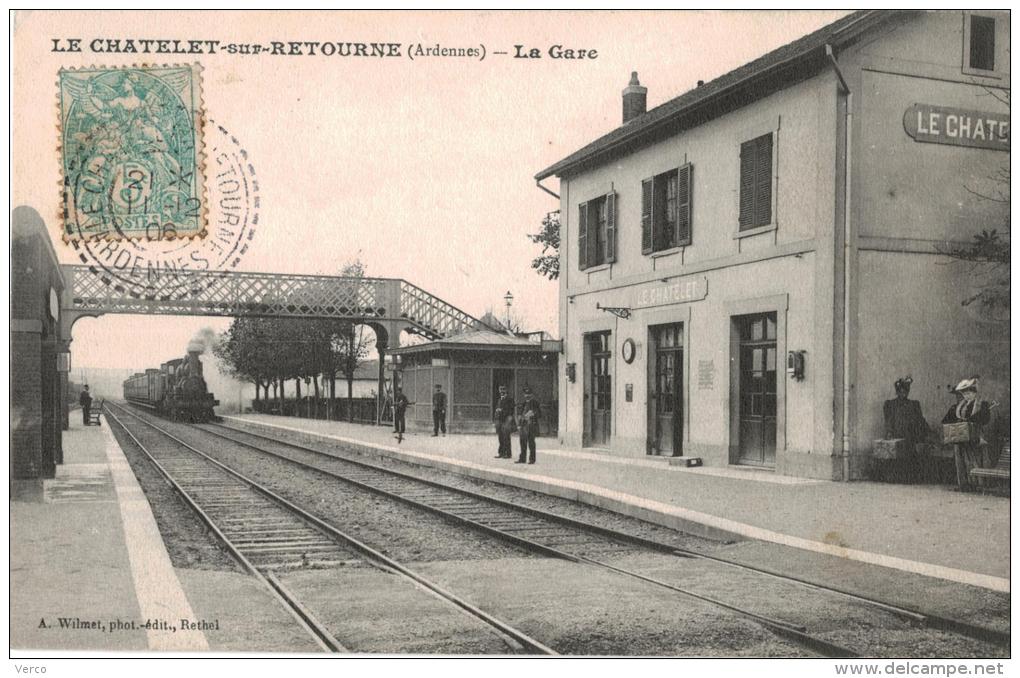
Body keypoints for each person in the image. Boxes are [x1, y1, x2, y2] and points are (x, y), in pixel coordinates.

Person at [941, 377, 993, 487]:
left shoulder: (982, 405)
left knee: (976, 459)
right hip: (961, 437)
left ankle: (979, 484)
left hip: (976, 437)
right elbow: (946, 420)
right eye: (965, 394)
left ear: (975, 393)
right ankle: (965, 484)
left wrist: (973, 419)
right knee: (962, 460)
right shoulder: (958, 407)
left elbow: (986, 419)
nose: (967, 396)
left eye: (969, 393)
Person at [882, 377, 929, 482]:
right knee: (895, 456)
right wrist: (889, 432)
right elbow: (888, 420)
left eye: (905, 391)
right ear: (897, 392)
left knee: (910, 456)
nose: (903, 394)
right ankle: (896, 477)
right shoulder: (890, 404)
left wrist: (927, 433)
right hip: (896, 435)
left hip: (910, 436)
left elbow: (920, 420)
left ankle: (909, 478)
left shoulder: (914, 405)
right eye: (900, 391)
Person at [515, 386, 542, 464]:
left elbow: (540, 414)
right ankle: (522, 458)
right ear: (524, 395)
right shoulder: (523, 404)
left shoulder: (535, 403)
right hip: (523, 426)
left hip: (531, 425)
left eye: (529, 394)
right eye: (526, 394)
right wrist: (519, 424)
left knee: (531, 442)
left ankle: (532, 459)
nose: (527, 396)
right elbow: (520, 414)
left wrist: (532, 414)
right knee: (522, 442)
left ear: (532, 395)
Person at [493, 385, 516, 459]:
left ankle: (508, 453)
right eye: (500, 389)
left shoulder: (510, 399)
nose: (502, 391)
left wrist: (502, 411)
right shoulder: (499, 400)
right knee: (500, 437)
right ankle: (501, 452)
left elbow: (511, 410)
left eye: (503, 389)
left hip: (506, 420)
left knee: (506, 437)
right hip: (500, 420)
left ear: (506, 390)